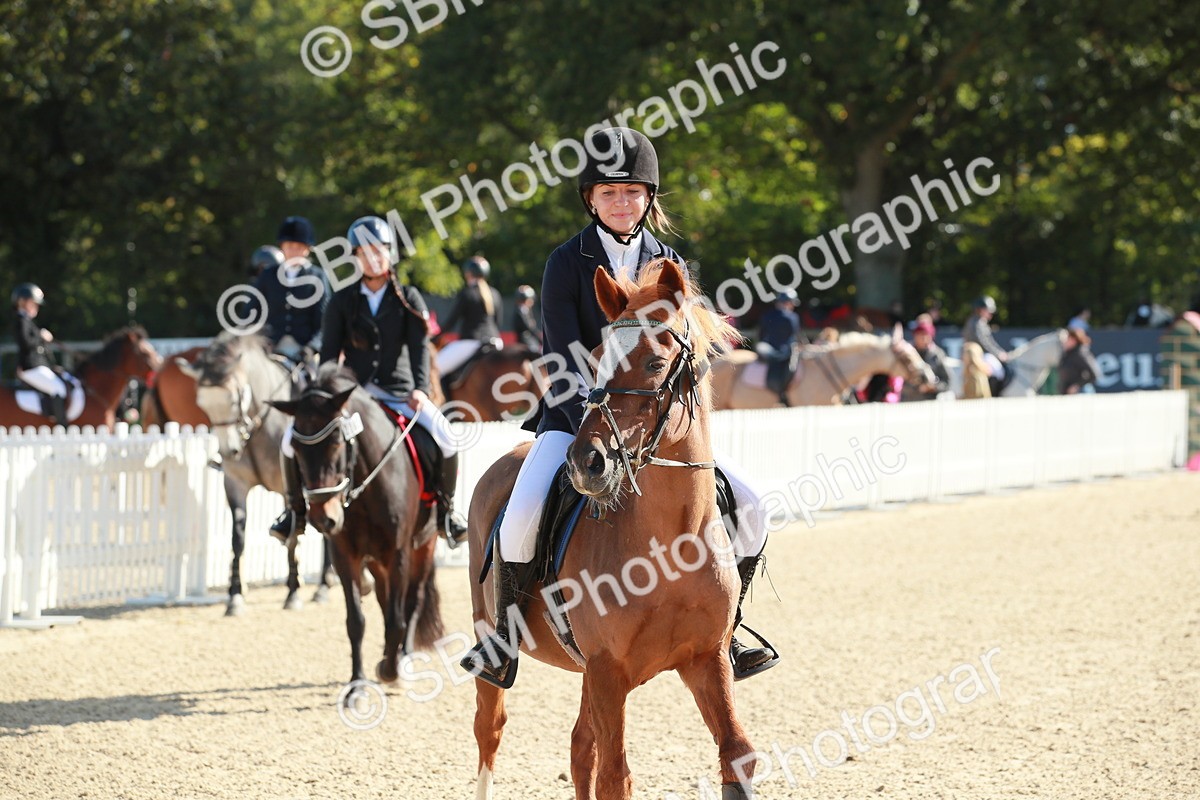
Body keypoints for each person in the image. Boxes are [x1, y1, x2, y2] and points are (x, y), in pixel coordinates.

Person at [460, 127, 779, 688]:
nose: (621, 202)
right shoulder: (566, 263)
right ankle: (503, 641)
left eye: (632, 191)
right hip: (577, 423)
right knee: (519, 519)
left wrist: (665, 406)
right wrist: (603, 411)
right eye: (608, 193)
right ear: (590, 198)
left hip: (660, 431)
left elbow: (694, 353)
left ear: (649, 197)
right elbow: (559, 356)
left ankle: (730, 629)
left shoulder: (671, 262)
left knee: (752, 508)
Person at [269, 216, 467, 547]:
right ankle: (294, 513)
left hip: (399, 391)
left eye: (380, 252)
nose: (373, 258)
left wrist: (420, 388)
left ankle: (448, 512)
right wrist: (324, 396)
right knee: (290, 440)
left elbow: (420, 349)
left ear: (390, 254)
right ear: (356, 257)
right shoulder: (342, 300)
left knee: (447, 436)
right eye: (365, 253)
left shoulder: (408, 297)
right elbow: (330, 355)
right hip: (353, 394)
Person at [252, 217, 328, 366]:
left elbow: (324, 321)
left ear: (307, 249)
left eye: (299, 247)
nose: (294, 252)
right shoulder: (268, 275)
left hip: (304, 350)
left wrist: (312, 347)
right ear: (282, 247)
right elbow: (252, 312)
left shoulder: (317, 276)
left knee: (320, 383)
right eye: (290, 246)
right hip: (270, 347)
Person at [11, 283, 76, 424]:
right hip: (30, 367)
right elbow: (26, 343)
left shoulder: (28, 322)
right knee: (58, 388)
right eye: (33, 303)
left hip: (38, 365)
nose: (36, 307)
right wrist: (41, 337)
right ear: (22, 302)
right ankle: (61, 425)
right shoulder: (21, 321)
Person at [434, 256, 504, 377]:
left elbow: (452, 321)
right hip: (496, 342)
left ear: (468, 273)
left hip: (472, 342)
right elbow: (498, 322)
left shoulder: (467, 293)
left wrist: (435, 337)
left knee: (435, 368)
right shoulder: (495, 294)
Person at [902, 318, 950, 401]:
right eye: (920, 335)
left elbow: (946, 382)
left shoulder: (937, 354)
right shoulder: (907, 353)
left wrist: (933, 387)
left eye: (926, 335)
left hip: (929, 403)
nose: (923, 338)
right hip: (908, 402)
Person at [962, 295, 1008, 380]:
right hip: (977, 355)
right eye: (988, 311)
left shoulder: (981, 322)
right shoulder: (976, 323)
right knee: (998, 371)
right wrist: (998, 354)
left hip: (982, 353)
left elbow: (991, 342)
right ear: (980, 310)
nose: (991, 314)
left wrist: (1000, 352)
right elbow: (983, 343)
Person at [1058, 327, 1102, 394]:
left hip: (1081, 392)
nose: (1064, 342)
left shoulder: (1080, 354)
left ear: (1073, 341)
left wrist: (1077, 386)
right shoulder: (1067, 353)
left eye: (1067, 339)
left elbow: (1094, 374)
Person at [512, 285, 541, 353]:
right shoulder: (522, 311)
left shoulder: (525, 311)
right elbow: (530, 328)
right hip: (527, 343)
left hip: (527, 342)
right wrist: (540, 339)